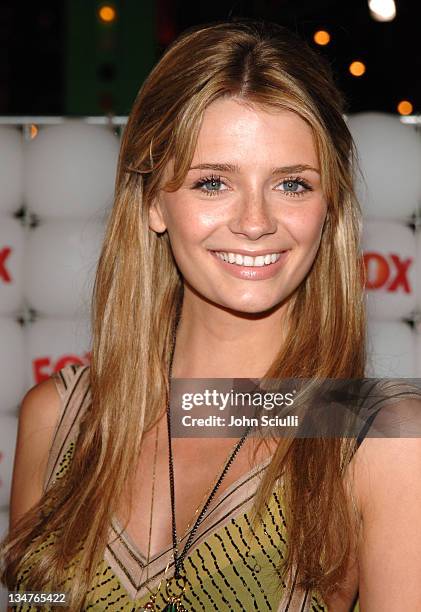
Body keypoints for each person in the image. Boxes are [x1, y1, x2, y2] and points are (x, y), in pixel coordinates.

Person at [2, 18, 421, 612]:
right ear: (153, 201)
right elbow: (27, 602)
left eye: (293, 185)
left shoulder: (381, 441)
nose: (255, 222)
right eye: (213, 182)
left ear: (329, 210)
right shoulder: (59, 419)